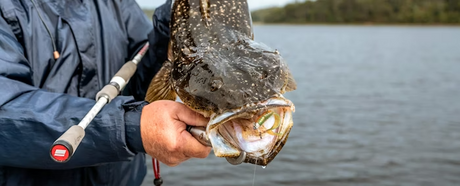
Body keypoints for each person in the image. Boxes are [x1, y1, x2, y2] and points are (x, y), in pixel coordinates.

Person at [0, 0, 211, 185]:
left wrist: (168, 25)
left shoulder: (119, 4)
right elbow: (6, 110)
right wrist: (131, 128)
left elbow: (143, 84)